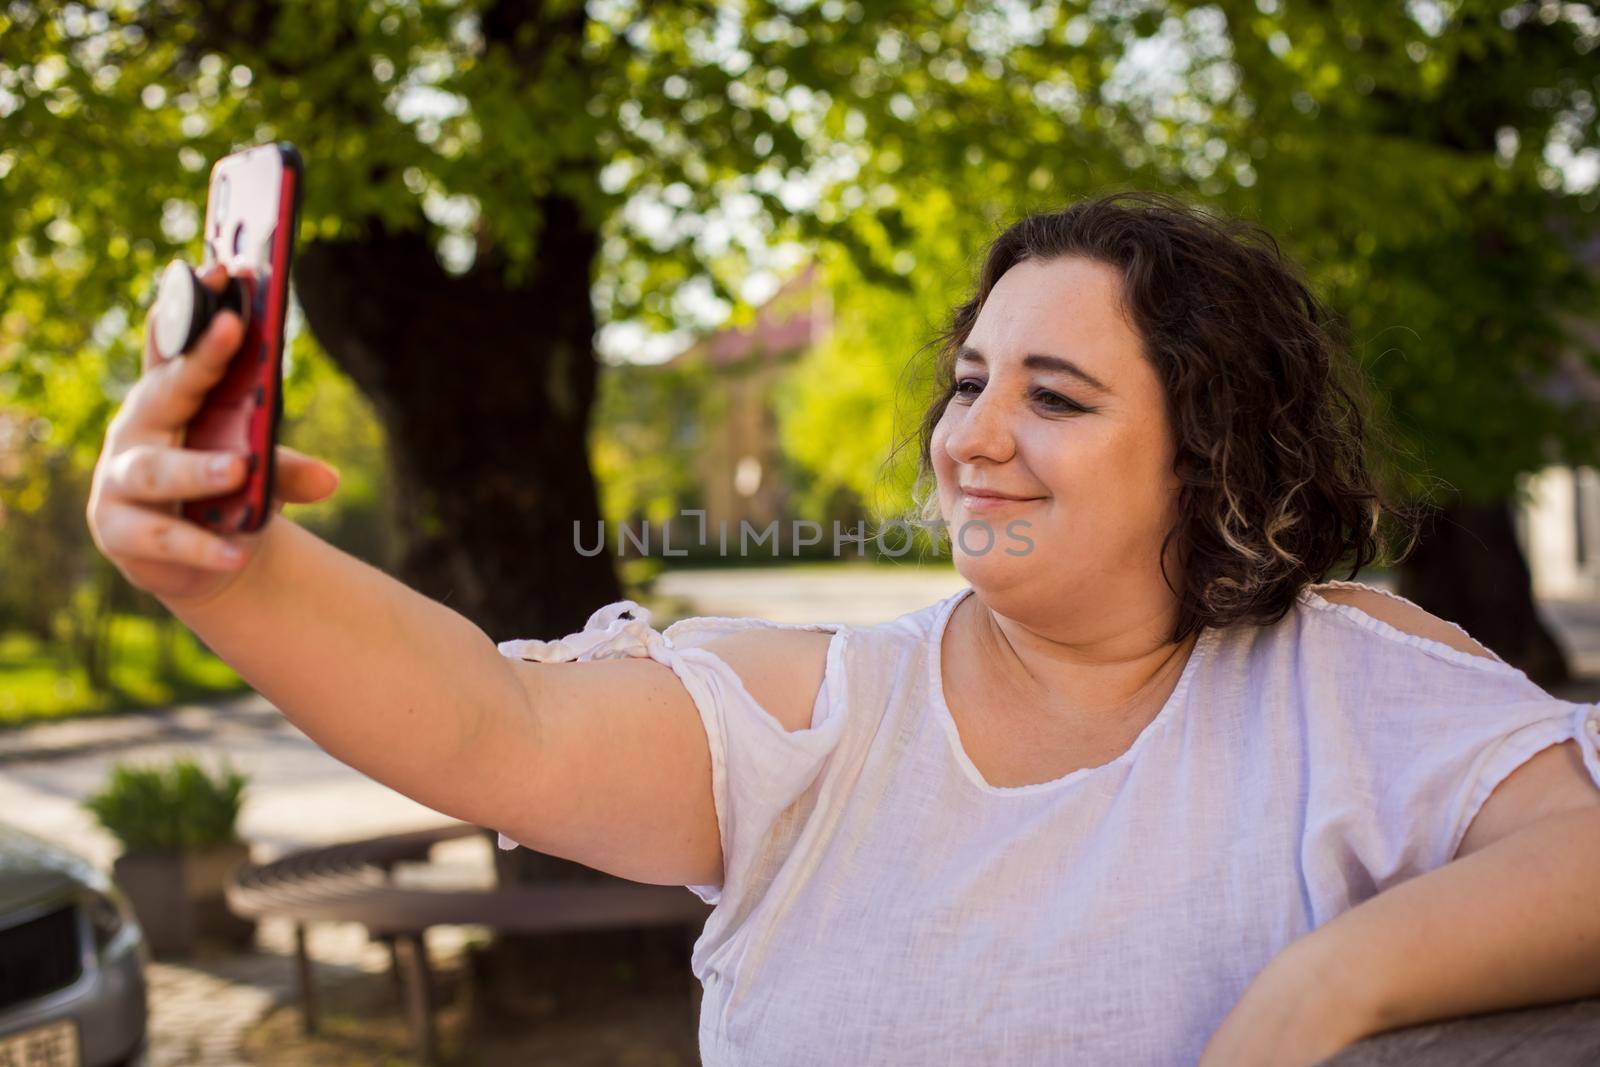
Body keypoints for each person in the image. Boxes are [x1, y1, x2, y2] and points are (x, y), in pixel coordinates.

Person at [86, 191, 1600, 1066]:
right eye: (970, 380)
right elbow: (498, 724)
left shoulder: (1338, 680)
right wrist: (231, 571)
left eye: (1055, 397)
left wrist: (1324, 990)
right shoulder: (816, 712)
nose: (974, 437)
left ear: (1214, 453)